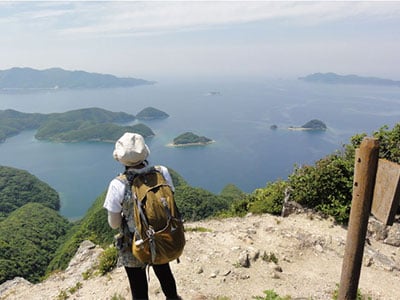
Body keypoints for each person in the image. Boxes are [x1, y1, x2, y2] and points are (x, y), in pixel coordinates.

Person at [103, 132, 181, 300]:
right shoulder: (162, 172)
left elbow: (114, 224)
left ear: (120, 159)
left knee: (138, 286)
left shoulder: (118, 185)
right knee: (164, 272)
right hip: (161, 234)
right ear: (145, 152)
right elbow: (169, 199)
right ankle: (173, 297)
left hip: (134, 243)